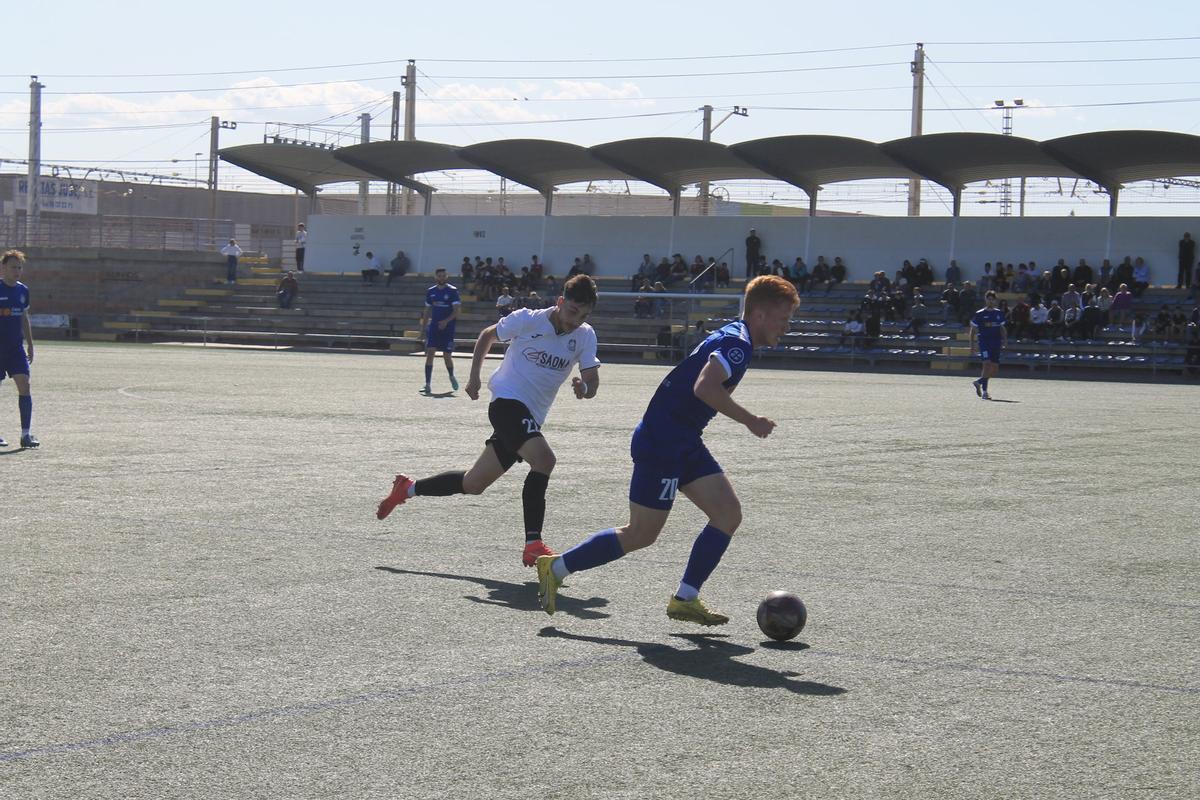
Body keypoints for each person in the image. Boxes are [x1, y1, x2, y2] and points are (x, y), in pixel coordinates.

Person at [535, 275, 800, 624]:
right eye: (783, 319)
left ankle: (685, 599)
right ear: (762, 315)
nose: (786, 327)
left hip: (683, 439)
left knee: (727, 514)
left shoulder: (735, 335)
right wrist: (750, 420)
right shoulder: (739, 343)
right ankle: (556, 567)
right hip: (663, 442)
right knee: (641, 533)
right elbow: (705, 387)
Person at [377, 275, 601, 568]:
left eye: (583, 315)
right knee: (544, 460)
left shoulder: (584, 335)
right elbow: (487, 335)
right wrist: (473, 378)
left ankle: (406, 488)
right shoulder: (528, 319)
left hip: (531, 417)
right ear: (560, 302)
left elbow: (592, 382)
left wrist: (584, 389)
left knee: (473, 483)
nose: (576, 320)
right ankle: (533, 544)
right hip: (506, 404)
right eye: (573, 311)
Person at [0, 250, 38, 448]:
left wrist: (30, 344)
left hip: (15, 349)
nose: (17, 271)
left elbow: (24, 318)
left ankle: (26, 434)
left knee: (25, 386)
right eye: (13, 267)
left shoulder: (23, 290)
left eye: (19, 267)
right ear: (3, 267)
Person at [419, 267, 462, 394]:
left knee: (446, 356)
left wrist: (446, 321)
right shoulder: (431, 291)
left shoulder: (453, 291)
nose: (441, 278)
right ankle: (427, 384)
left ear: (446, 277)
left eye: (444, 276)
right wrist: (422, 329)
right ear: (436, 277)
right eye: (439, 276)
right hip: (434, 328)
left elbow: (456, 311)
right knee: (430, 353)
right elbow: (427, 311)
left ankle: (451, 376)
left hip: (448, 328)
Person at [969, 289, 1007, 401]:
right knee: (986, 364)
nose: (990, 301)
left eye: (992, 299)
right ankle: (985, 392)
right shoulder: (980, 314)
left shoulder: (999, 313)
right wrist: (972, 345)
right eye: (988, 299)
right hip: (984, 342)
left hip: (996, 342)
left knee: (994, 369)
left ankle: (979, 382)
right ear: (985, 300)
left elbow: (1002, 328)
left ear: (995, 301)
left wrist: (1005, 340)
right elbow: (973, 330)